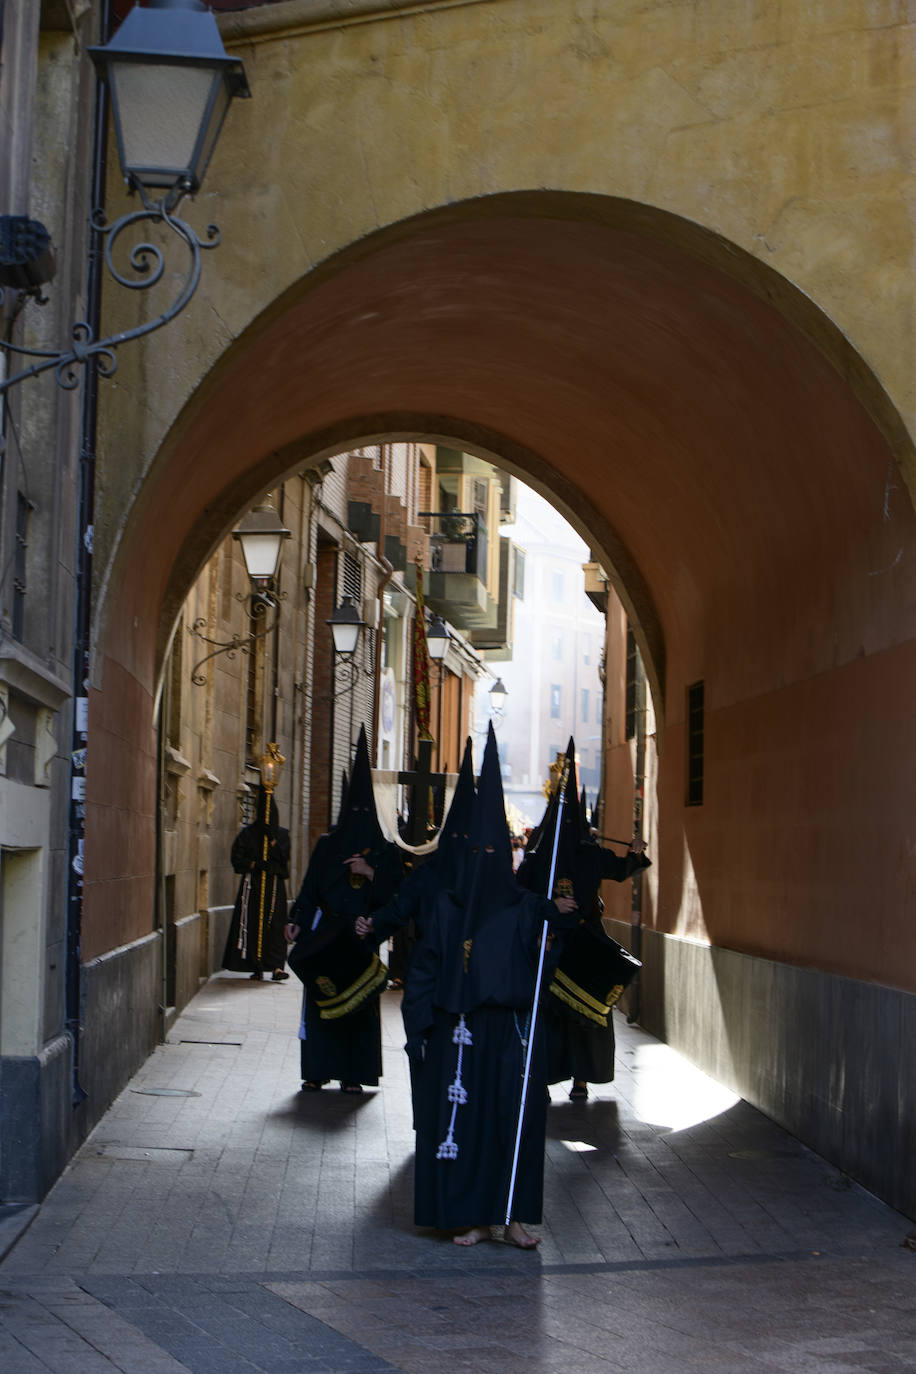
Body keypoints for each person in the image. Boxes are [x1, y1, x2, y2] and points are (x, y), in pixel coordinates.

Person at [402, 724, 577, 1248]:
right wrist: (421, 1030)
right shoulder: (446, 908)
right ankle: (478, 1218)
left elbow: (547, 957)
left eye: (491, 852)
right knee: (471, 1127)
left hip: (513, 1034)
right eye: (472, 852)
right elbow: (426, 969)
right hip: (462, 1033)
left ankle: (515, 1219)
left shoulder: (526, 906)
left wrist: (555, 934)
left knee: (515, 1124)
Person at [517, 737, 650, 1101]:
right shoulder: (581, 853)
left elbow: (520, 891)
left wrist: (634, 854)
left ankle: (566, 1079)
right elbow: (623, 867)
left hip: (562, 944)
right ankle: (571, 1079)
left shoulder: (543, 853)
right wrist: (634, 854)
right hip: (559, 944)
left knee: (569, 1014)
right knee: (573, 1014)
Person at [285, 725, 405, 1093]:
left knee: (358, 1007)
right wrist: (297, 920)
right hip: (326, 936)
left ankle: (354, 1074)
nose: (358, 815)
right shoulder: (328, 844)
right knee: (322, 1002)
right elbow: (310, 888)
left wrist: (370, 873)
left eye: (363, 809)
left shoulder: (385, 849)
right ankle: (318, 1070)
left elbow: (398, 894)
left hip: (360, 936)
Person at [222, 784, 291, 982]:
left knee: (275, 925)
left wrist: (272, 842)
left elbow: (283, 858)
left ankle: (277, 966)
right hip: (253, 886)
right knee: (253, 924)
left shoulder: (282, 835)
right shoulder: (248, 834)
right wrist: (255, 864)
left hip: (274, 887)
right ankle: (256, 965)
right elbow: (237, 859)